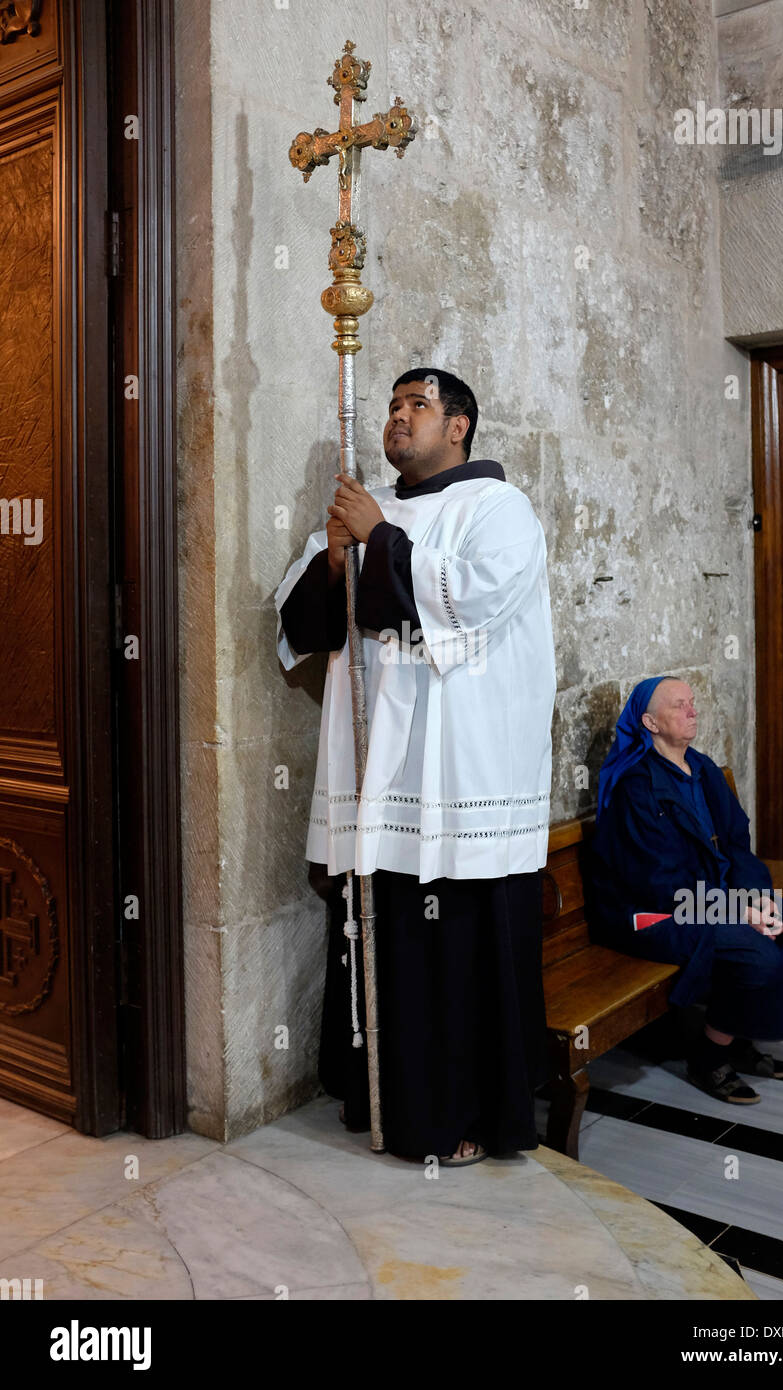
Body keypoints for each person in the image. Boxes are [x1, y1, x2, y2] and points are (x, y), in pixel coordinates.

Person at [274, 368, 557, 1164]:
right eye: (394, 406)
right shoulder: (370, 510)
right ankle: (382, 1098)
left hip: (463, 772)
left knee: (456, 954)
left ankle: (464, 1115)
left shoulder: (501, 511)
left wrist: (377, 542)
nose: (399, 418)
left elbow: (465, 605)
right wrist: (333, 563)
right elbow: (310, 632)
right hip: (379, 777)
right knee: (382, 934)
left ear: (459, 425)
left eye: (418, 406)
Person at [583, 675, 783, 1103]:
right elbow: (658, 884)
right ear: (650, 722)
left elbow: (737, 840)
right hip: (651, 912)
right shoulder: (636, 788)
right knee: (755, 955)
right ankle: (708, 1054)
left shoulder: (700, 768)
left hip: (713, 899)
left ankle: (740, 1035)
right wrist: (735, 911)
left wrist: (754, 896)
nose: (692, 710)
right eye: (678, 705)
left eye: (692, 702)